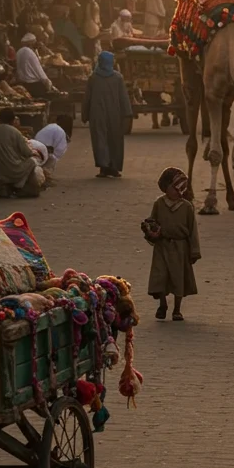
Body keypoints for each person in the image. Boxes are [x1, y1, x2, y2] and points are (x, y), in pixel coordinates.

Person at [143, 166, 201, 321]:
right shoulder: (159, 204)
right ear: (165, 187)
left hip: (180, 249)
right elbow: (152, 221)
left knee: (178, 279)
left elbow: (192, 230)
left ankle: (177, 309)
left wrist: (194, 250)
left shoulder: (187, 207)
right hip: (162, 246)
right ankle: (162, 304)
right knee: (160, 276)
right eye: (174, 188)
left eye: (181, 188)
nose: (178, 192)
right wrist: (150, 231)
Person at [82, 50, 133, 178]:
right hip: (115, 113)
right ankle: (114, 168)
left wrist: (85, 114)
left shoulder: (93, 78)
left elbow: (87, 98)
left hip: (97, 114)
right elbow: (123, 98)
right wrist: (127, 113)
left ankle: (104, 167)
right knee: (115, 138)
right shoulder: (117, 77)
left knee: (100, 139)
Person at [0, 108, 42, 198]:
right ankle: (18, 186)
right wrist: (33, 152)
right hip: (11, 171)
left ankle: (4, 188)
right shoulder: (14, 131)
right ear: (13, 120)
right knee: (32, 162)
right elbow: (26, 152)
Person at [14, 34, 55, 99]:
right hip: (34, 86)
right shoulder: (30, 52)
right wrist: (47, 82)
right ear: (31, 43)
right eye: (35, 41)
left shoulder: (19, 52)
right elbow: (38, 69)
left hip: (23, 85)